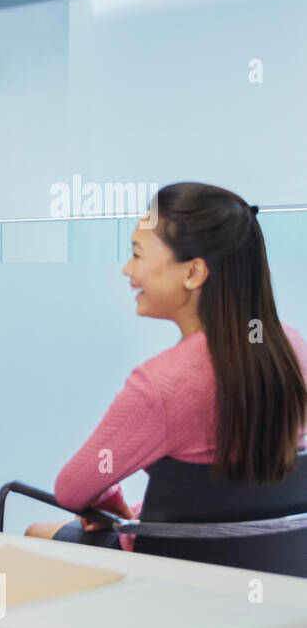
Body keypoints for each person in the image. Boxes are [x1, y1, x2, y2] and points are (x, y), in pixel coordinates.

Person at [26, 183, 307, 548]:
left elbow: (73, 489)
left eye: (138, 254)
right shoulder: (291, 347)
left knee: (36, 532)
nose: (128, 269)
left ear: (193, 273)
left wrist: (111, 501)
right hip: (272, 566)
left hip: (172, 569)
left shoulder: (160, 386)